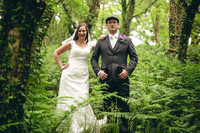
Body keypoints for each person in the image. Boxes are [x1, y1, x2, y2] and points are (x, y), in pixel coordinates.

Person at [53, 23, 106, 133]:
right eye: (80, 31)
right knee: (69, 100)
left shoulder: (91, 45)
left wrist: (102, 37)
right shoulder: (71, 44)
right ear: (77, 32)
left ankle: (82, 124)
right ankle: (69, 126)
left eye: (84, 31)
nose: (82, 33)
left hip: (82, 75)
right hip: (69, 75)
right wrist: (61, 66)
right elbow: (56, 53)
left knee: (82, 99)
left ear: (87, 32)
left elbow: (102, 46)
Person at [91, 16, 138, 133]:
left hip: (122, 78)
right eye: (110, 23)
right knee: (108, 107)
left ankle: (124, 130)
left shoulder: (126, 40)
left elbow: (134, 57)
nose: (112, 24)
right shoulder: (101, 41)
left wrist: (127, 70)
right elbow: (94, 59)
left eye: (114, 22)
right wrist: (98, 72)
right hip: (105, 79)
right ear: (107, 25)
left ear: (118, 25)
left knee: (124, 105)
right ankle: (111, 128)